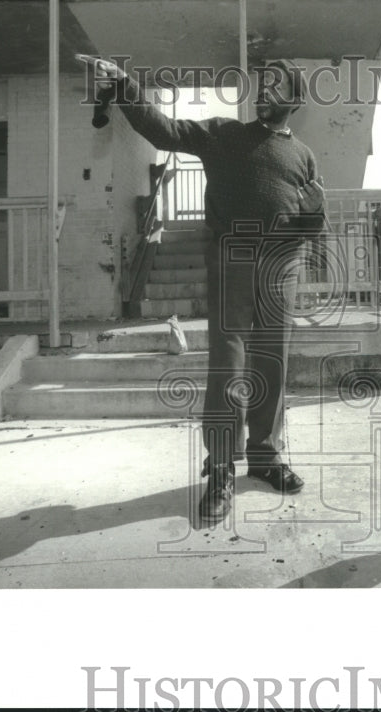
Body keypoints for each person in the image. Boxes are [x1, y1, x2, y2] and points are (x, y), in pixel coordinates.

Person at [90, 58, 325, 522]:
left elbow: (314, 219)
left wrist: (312, 217)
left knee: (272, 360)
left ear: (294, 99)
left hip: (283, 263)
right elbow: (164, 132)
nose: (264, 90)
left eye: (276, 85)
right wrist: (124, 85)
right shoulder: (224, 134)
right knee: (229, 363)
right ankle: (220, 466)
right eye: (262, 83)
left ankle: (264, 454)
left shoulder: (304, 155)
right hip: (233, 259)